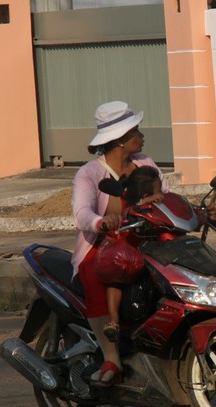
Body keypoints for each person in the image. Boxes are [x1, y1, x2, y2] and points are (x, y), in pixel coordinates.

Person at [71, 101, 169, 387]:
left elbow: (167, 195)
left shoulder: (145, 164)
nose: (142, 136)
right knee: (97, 274)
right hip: (102, 248)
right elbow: (81, 212)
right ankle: (111, 356)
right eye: (136, 131)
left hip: (145, 242)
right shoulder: (89, 173)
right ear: (120, 141)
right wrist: (100, 223)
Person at [102, 166, 164, 343]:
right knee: (116, 277)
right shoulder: (133, 209)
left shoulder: (158, 205)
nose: (161, 195)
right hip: (127, 251)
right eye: (157, 192)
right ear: (145, 195)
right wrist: (149, 201)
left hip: (152, 253)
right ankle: (113, 321)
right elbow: (131, 211)